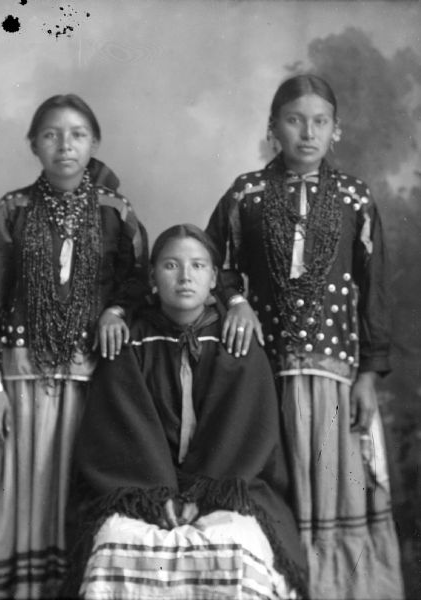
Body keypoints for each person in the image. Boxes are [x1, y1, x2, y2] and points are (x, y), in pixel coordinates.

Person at [205, 74, 404, 599]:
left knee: (340, 486)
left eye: (320, 122)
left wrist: (366, 375)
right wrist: (237, 301)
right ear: (274, 129)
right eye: (295, 121)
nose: (307, 133)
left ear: (336, 131)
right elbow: (212, 266)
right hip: (263, 377)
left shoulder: (354, 198)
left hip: (334, 379)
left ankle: (344, 589)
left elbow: (373, 289)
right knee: (275, 484)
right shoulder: (245, 194)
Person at [0, 94, 149, 599]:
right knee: (14, 495)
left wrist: (114, 311)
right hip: (17, 386)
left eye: (78, 134)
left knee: (71, 495)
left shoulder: (115, 212)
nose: (65, 145)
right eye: (51, 135)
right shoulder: (13, 211)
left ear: (95, 143)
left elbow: (139, 282)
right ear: (34, 145)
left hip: (89, 389)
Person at [70, 224, 307, 599]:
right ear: (151, 276)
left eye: (198, 266)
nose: (185, 277)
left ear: (214, 278)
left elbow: (245, 437)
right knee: (116, 541)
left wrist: (206, 495)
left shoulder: (238, 338)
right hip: (142, 485)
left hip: (227, 486)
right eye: (170, 266)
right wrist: (156, 494)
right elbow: (121, 427)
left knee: (235, 543)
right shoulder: (129, 340)